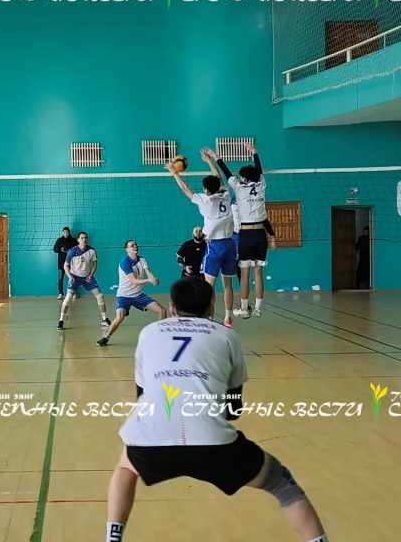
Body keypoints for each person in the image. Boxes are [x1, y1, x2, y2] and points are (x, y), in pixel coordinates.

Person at [105, 276, 329, 542]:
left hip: (150, 441)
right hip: (212, 443)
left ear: (172, 308)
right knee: (281, 483)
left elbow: (142, 396)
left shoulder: (149, 333)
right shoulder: (226, 335)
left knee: (125, 469)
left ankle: (112, 539)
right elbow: (233, 410)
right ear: (211, 308)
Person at [166, 150, 236, 327]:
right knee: (228, 284)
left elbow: (185, 189)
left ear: (206, 190)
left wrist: (174, 172)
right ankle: (228, 318)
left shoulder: (205, 201)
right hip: (230, 244)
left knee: (208, 286)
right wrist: (209, 161)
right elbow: (217, 177)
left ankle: (208, 319)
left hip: (215, 247)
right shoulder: (225, 194)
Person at [207, 142, 276, 319]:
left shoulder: (238, 188)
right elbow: (259, 171)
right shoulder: (261, 185)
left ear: (244, 178)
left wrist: (215, 157)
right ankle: (258, 309)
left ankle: (245, 309)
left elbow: (226, 173)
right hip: (260, 234)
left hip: (245, 234)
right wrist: (255, 152)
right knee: (258, 273)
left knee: (244, 274)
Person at [96, 240, 165, 347]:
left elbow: (149, 273)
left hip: (138, 295)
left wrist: (154, 280)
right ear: (127, 249)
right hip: (124, 296)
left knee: (162, 310)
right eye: (132, 245)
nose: (135, 246)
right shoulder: (125, 262)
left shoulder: (142, 260)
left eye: (136, 245)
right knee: (120, 317)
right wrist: (149, 281)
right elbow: (134, 281)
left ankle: (161, 336)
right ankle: (106, 338)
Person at [58, 231, 111, 330]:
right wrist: (70, 276)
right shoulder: (72, 251)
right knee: (68, 297)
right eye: (82, 238)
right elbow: (65, 266)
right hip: (74, 277)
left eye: (86, 238)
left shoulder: (91, 251)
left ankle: (104, 319)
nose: (84, 239)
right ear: (78, 240)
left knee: (100, 296)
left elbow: (95, 264)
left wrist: (91, 275)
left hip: (87, 277)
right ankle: (61, 321)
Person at [54, 227, 79, 299]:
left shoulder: (73, 240)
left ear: (69, 232)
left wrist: (70, 250)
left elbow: (77, 249)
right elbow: (55, 249)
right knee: (60, 279)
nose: (66, 234)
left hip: (71, 263)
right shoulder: (59, 240)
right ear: (62, 233)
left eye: (67, 232)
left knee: (73, 278)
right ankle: (61, 294)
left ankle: (73, 293)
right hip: (61, 263)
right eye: (64, 232)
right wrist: (61, 249)